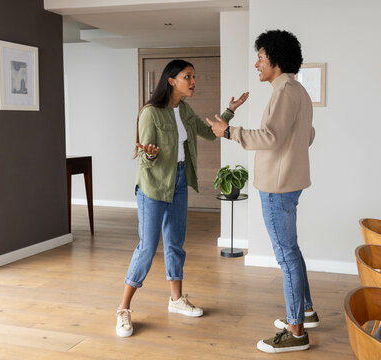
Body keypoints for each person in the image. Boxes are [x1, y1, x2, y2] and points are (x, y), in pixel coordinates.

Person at [116, 59, 248, 337]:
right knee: (148, 248)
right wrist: (150, 154)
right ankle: (124, 308)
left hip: (178, 182)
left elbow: (209, 134)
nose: (193, 81)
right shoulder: (151, 113)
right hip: (153, 186)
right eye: (188, 76)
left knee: (175, 243)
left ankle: (176, 300)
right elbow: (145, 156)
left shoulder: (184, 110)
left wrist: (230, 111)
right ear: (171, 80)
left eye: (194, 76)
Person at [207, 30, 317, 353]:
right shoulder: (299, 91)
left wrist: (229, 132)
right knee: (291, 251)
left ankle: (296, 331)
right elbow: (307, 135)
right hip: (290, 183)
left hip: (277, 186)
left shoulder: (284, 92)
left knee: (286, 255)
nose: (257, 63)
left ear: (275, 60)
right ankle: (305, 313)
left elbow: (270, 138)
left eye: (261, 57)